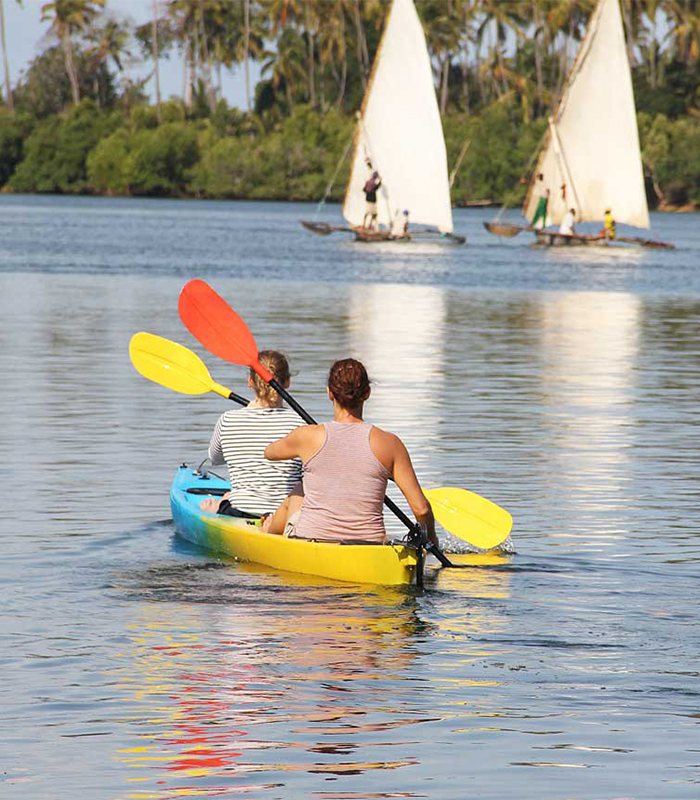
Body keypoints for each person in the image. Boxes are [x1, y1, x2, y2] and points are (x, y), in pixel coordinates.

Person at [261, 358, 437, 546]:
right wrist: (432, 541)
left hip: (312, 540)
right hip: (371, 547)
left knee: (299, 490)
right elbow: (422, 510)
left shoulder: (306, 437)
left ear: (330, 393)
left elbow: (269, 453)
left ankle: (266, 532)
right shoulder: (390, 444)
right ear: (367, 393)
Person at [199, 350, 304, 517]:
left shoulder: (227, 420)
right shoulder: (301, 425)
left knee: (221, 501)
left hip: (239, 511)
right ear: (288, 382)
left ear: (250, 381)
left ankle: (222, 504)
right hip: (283, 516)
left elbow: (215, 458)